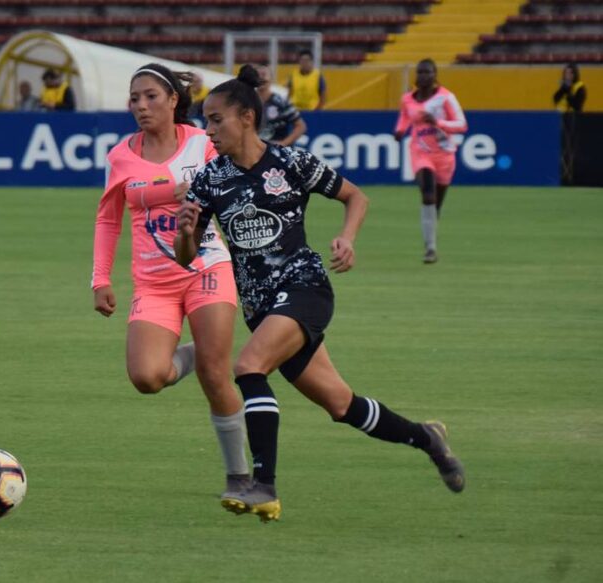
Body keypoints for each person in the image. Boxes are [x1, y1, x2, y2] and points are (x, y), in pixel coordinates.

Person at [174, 65, 465, 522]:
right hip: (262, 309)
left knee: (249, 367)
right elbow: (185, 257)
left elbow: (357, 197)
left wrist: (347, 238)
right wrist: (187, 234)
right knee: (342, 405)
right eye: (205, 120)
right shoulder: (210, 179)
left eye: (216, 119)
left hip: (305, 287)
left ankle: (262, 486)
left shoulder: (292, 163)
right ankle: (428, 438)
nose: (208, 130)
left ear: (247, 117)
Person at [92, 63, 249, 497]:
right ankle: (204, 347)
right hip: (153, 283)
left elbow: (238, 183)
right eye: (134, 98)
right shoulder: (120, 156)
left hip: (207, 268)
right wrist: (99, 279)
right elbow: (108, 220)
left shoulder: (202, 144)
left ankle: (240, 477)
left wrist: (203, 191)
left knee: (216, 376)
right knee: (147, 377)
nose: (141, 106)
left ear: (173, 100)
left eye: (150, 97)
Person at [393, 58, 467, 264]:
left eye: (428, 72)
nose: (423, 76)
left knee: (436, 204)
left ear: (435, 75)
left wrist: (438, 122)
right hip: (420, 151)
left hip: (444, 154)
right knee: (427, 193)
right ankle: (430, 249)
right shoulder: (408, 98)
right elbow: (405, 117)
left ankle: (430, 237)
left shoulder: (446, 98)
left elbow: (462, 125)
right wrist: (400, 131)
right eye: (420, 72)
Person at [255, 65, 307, 147]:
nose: (261, 78)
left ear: (271, 79)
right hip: (254, 151)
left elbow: (301, 126)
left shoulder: (282, 102)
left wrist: (283, 144)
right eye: (257, 75)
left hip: (276, 152)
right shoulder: (248, 102)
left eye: (264, 74)